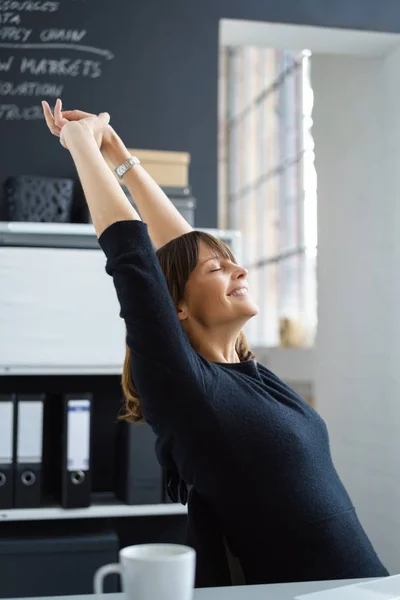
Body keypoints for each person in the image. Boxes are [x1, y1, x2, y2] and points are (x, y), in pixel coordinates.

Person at [42, 99, 389, 587]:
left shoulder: (246, 373)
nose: (239, 269)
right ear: (177, 308)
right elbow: (136, 261)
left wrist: (122, 159)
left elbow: (186, 255)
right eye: (219, 270)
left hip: (366, 589)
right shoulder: (188, 388)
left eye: (232, 263)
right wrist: (83, 149)